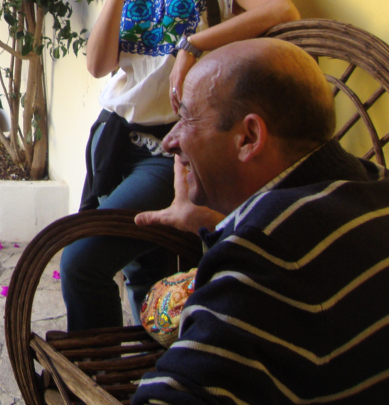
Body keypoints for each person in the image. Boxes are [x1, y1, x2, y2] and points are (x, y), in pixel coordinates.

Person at [62, 0, 300, 331]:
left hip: (169, 151)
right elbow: (98, 65)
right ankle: (153, 364)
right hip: (114, 138)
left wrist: (195, 42)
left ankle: (98, 368)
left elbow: (282, 10)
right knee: (144, 272)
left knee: (80, 261)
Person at [128, 38, 389, 403]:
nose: (170, 142)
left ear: (249, 137)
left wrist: (235, 237)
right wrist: (215, 224)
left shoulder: (267, 254)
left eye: (186, 118)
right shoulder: (372, 183)